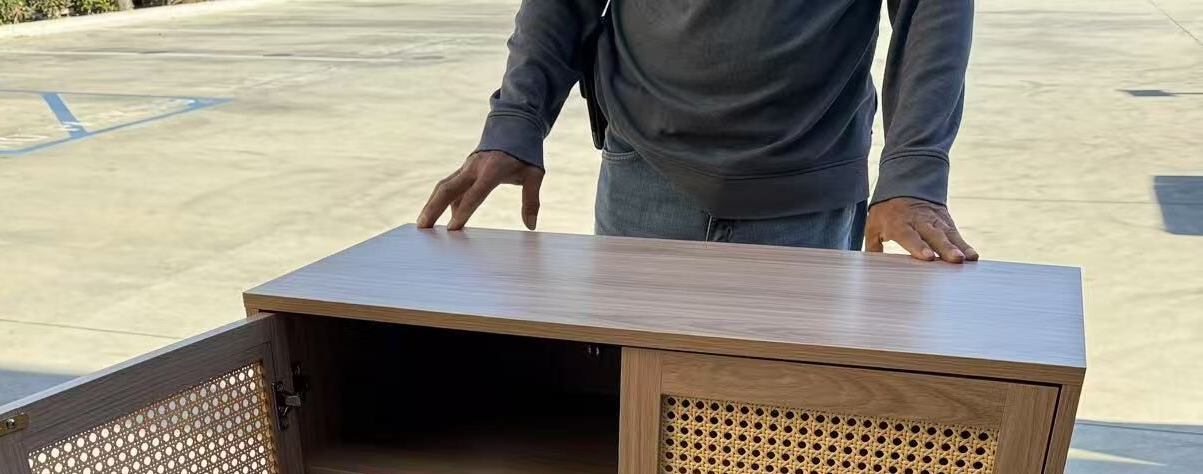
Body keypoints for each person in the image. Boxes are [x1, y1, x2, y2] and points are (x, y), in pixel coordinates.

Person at [417, 0, 978, 263]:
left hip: (804, 187)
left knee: (778, 425)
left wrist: (913, 175)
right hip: (644, 170)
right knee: (631, 411)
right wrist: (517, 120)